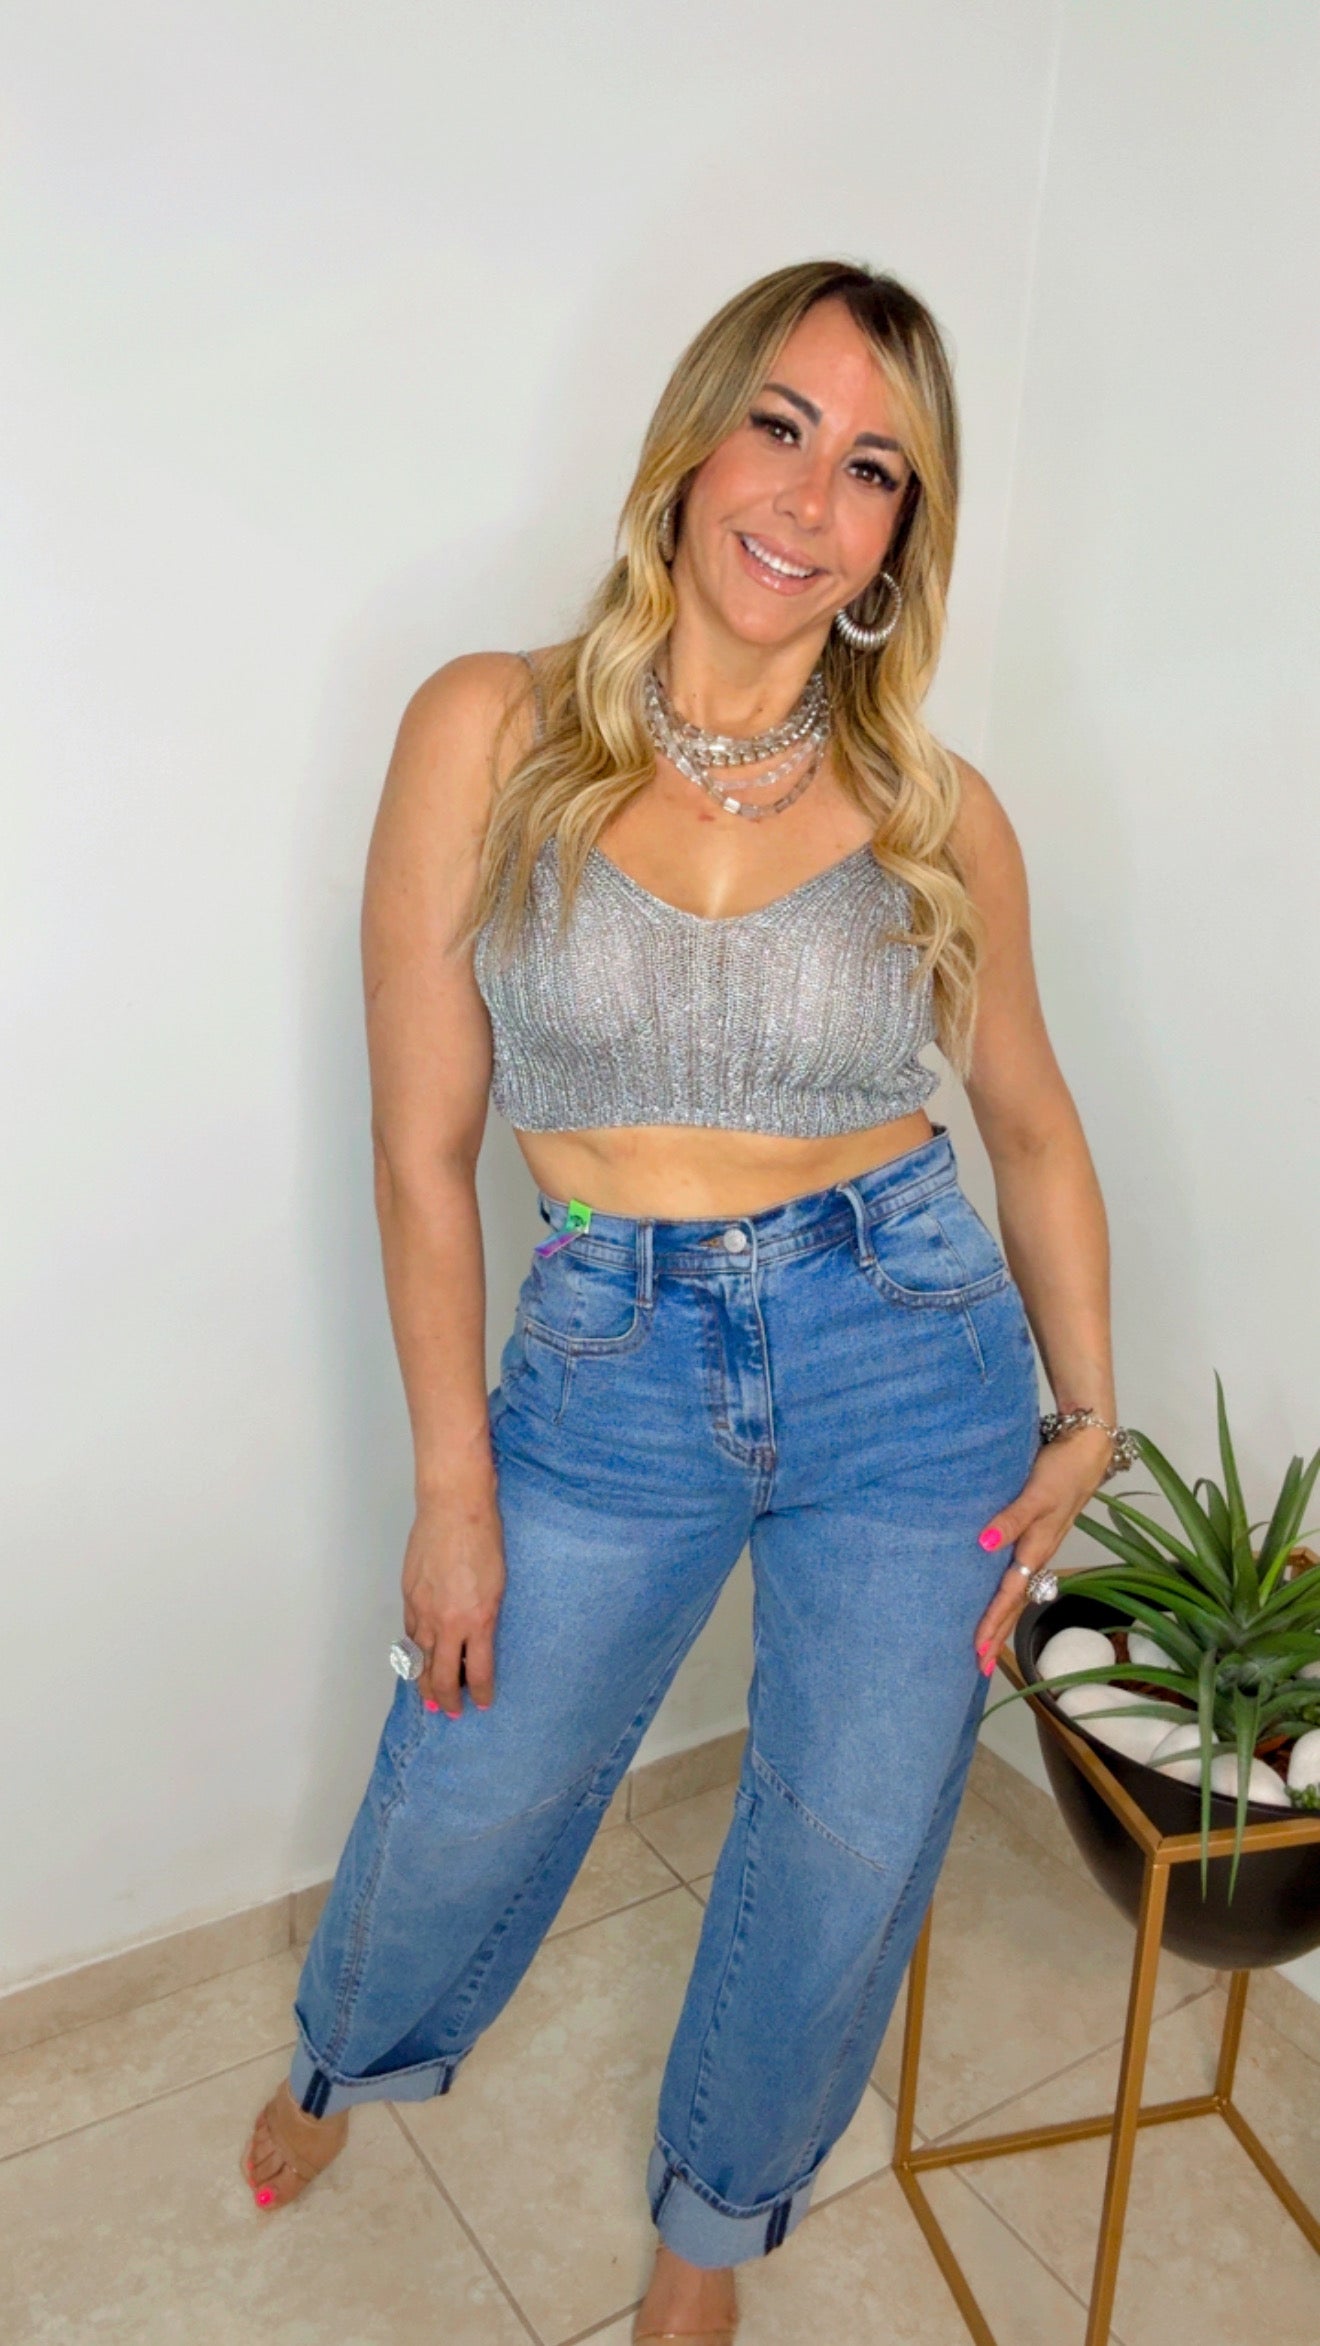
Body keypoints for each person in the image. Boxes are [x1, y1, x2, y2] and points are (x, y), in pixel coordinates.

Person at [241, 259, 1129, 2343]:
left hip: (910, 1358)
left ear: (902, 537)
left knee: (845, 1847)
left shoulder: (939, 816)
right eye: (781, 428)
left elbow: (1029, 1124)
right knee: (467, 1772)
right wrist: (452, 1483)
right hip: (609, 1358)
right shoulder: (489, 727)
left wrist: (1087, 1417)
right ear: (695, 440)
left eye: (874, 469)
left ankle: (708, 2239)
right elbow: (420, 1147)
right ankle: (345, 2050)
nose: (811, 499)